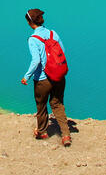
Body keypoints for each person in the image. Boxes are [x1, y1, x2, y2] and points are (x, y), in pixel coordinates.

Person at [20, 8, 70, 146]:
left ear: (30, 23)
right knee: (58, 104)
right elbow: (62, 52)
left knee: (41, 105)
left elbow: (36, 61)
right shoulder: (53, 34)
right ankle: (65, 135)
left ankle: (42, 132)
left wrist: (26, 76)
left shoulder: (33, 39)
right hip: (59, 77)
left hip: (43, 79)